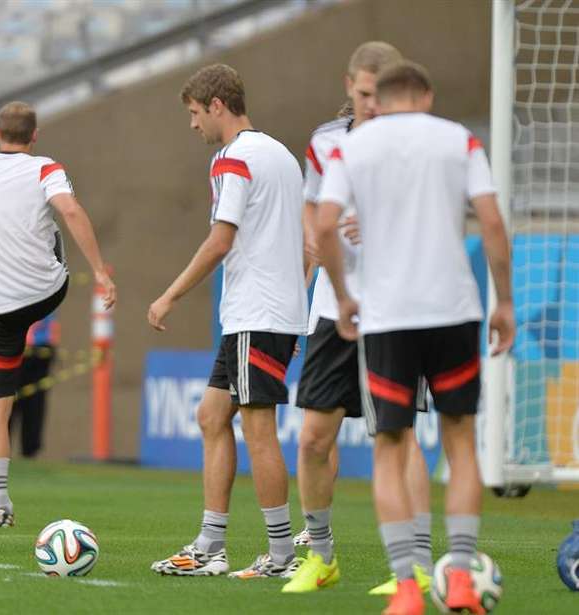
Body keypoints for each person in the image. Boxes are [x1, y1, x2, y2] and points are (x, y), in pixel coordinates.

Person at [316, 61, 514, 615]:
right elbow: (492, 222)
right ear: (426, 96)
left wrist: (343, 293)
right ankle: (459, 578)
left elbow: (325, 223)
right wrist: (505, 301)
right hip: (452, 310)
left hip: (387, 317)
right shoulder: (460, 139)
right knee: (460, 442)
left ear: (379, 97)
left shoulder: (350, 149)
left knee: (390, 448)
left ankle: (406, 588)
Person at [283, 42, 433, 596]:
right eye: (364, 92)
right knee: (313, 439)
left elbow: (438, 219)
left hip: (395, 308)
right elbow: (310, 206)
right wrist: (312, 249)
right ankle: (320, 557)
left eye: (381, 92)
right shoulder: (324, 142)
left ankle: (415, 565)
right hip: (330, 309)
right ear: (349, 85)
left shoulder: (422, 144)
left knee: (397, 437)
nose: (372, 103)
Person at [148, 64, 308, 578]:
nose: (193, 125)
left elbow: (222, 239)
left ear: (217, 105)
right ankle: (210, 545)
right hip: (271, 312)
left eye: (195, 113)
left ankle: (281, 556)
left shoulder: (232, 158)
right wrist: (295, 313)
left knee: (259, 431)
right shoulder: (283, 155)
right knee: (212, 417)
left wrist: (168, 296)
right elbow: (306, 243)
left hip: (254, 314)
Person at [0, 101, 116, 529]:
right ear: (34, 136)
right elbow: (67, 209)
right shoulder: (46, 168)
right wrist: (100, 271)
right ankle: (1, 503)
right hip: (45, 292)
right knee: (52, 235)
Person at [10, 313, 61, 457]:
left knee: (35, 401)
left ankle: (30, 451)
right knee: (5, 400)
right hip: (13, 344)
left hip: (39, 347)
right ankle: (0, 451)